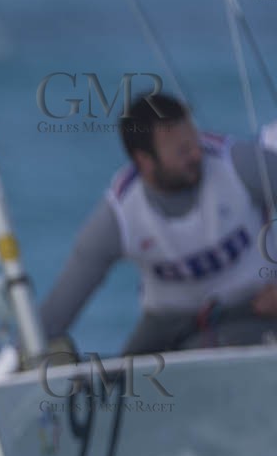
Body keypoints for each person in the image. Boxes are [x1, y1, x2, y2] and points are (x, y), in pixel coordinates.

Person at [39, 93, 277, 354]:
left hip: (254, 306)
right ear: (145, 161)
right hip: (169, 323)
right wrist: (28, 354)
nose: (198, 154)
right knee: (123, 383)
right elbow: (58, 311)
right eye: (183, 151)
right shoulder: (118, 217)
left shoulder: (239, 164)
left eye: (195, 141)